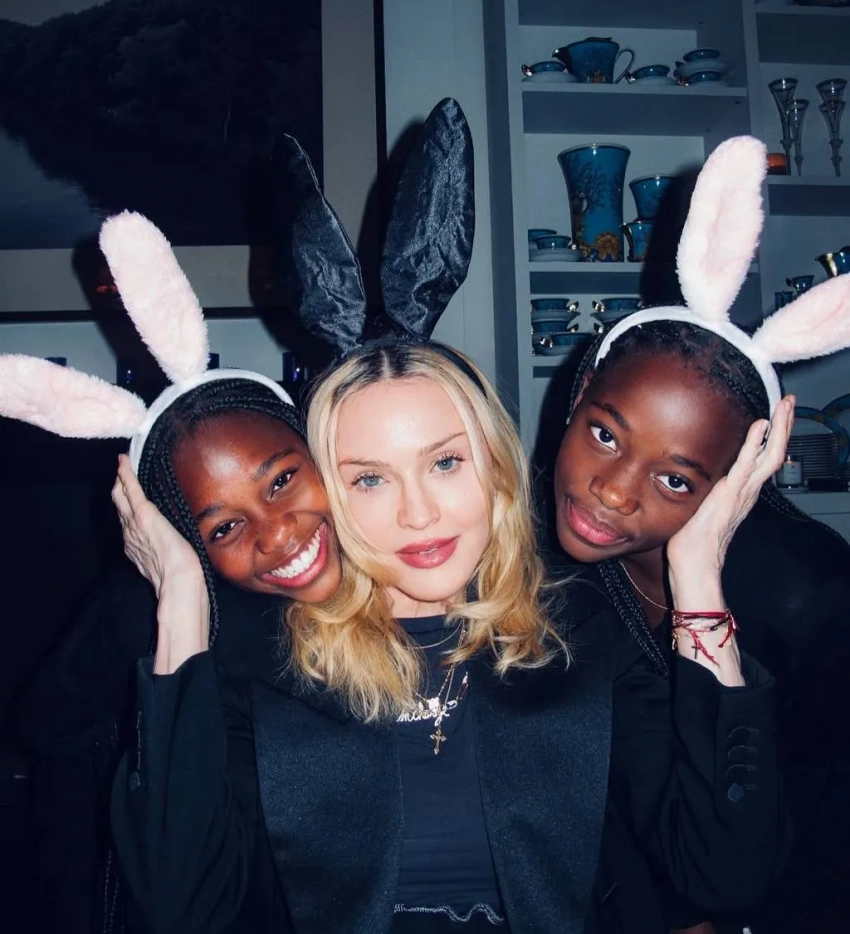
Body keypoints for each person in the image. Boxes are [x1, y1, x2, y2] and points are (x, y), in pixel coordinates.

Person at [110, 333, 792, 934]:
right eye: (369, 479)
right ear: (329, 493)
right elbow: (181, 908)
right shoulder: (261, 662)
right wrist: (181, 601)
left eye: (444, 463)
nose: (417, 513)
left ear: (493, 463)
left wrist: (696, 574)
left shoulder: (585, 629)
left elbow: (725, 875)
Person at [2, 215, 344, 933]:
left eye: (282, 479)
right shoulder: (154, 617)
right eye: (224, 527)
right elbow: (47, 723)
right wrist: (176, 598)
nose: (276, 533)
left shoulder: (407, 563)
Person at [549, 138, 850, 933]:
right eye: (606, 435)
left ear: (738, 477)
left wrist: (698, 588)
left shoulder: (807, 595)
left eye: (676, 479)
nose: (612, 491)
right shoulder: (553, 568)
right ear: (579, 391)